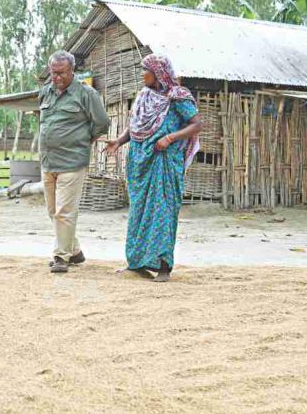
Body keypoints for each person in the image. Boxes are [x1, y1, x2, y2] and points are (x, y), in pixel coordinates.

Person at [105, 54, 202, 282]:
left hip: (164, 162)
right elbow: (135, 127)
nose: (142, 74)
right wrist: (119, 141)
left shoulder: (177, 96)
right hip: (140, 162)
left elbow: (197, 124)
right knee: (138, 212)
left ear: (158, 73)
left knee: (163, 211)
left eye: (145, 70)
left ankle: (163, 266)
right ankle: (137, 263)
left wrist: (170, 137)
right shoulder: (143, 96)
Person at [39, 50, 109, 273]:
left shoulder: (86, 94)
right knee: (52, 211)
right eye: (53, 73)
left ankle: (61, 257)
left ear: (72, 71)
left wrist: (82, 140)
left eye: (61, 73)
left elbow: (102, 123)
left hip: (72, 161)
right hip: (48, 161)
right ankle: (75, 251)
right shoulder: (45, 93)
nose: (57, 78)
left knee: (65, 211)